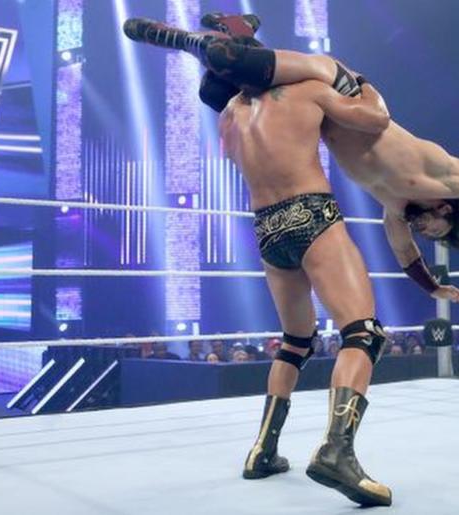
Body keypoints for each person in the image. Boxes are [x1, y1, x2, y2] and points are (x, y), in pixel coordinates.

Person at [123, 14, 459, 303]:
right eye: (436, 230)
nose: (425, 233)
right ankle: (188, 39)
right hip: (344, 88)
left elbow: (406, 258)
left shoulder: (394, 210)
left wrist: (435, 288)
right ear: (445, 211)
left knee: (216, 93)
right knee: (227, 60)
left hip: (319, 111)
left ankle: (240, 28)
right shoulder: (447, 176)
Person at [126, 17, 394, 505]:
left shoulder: (228, 118)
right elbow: (374, 119)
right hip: (311, 214)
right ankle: (338, 450)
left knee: (295, 342)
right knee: (363, 332)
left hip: (268, 229)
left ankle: (263, 450)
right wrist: (359, 79)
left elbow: (240, 151)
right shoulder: (308, 90)